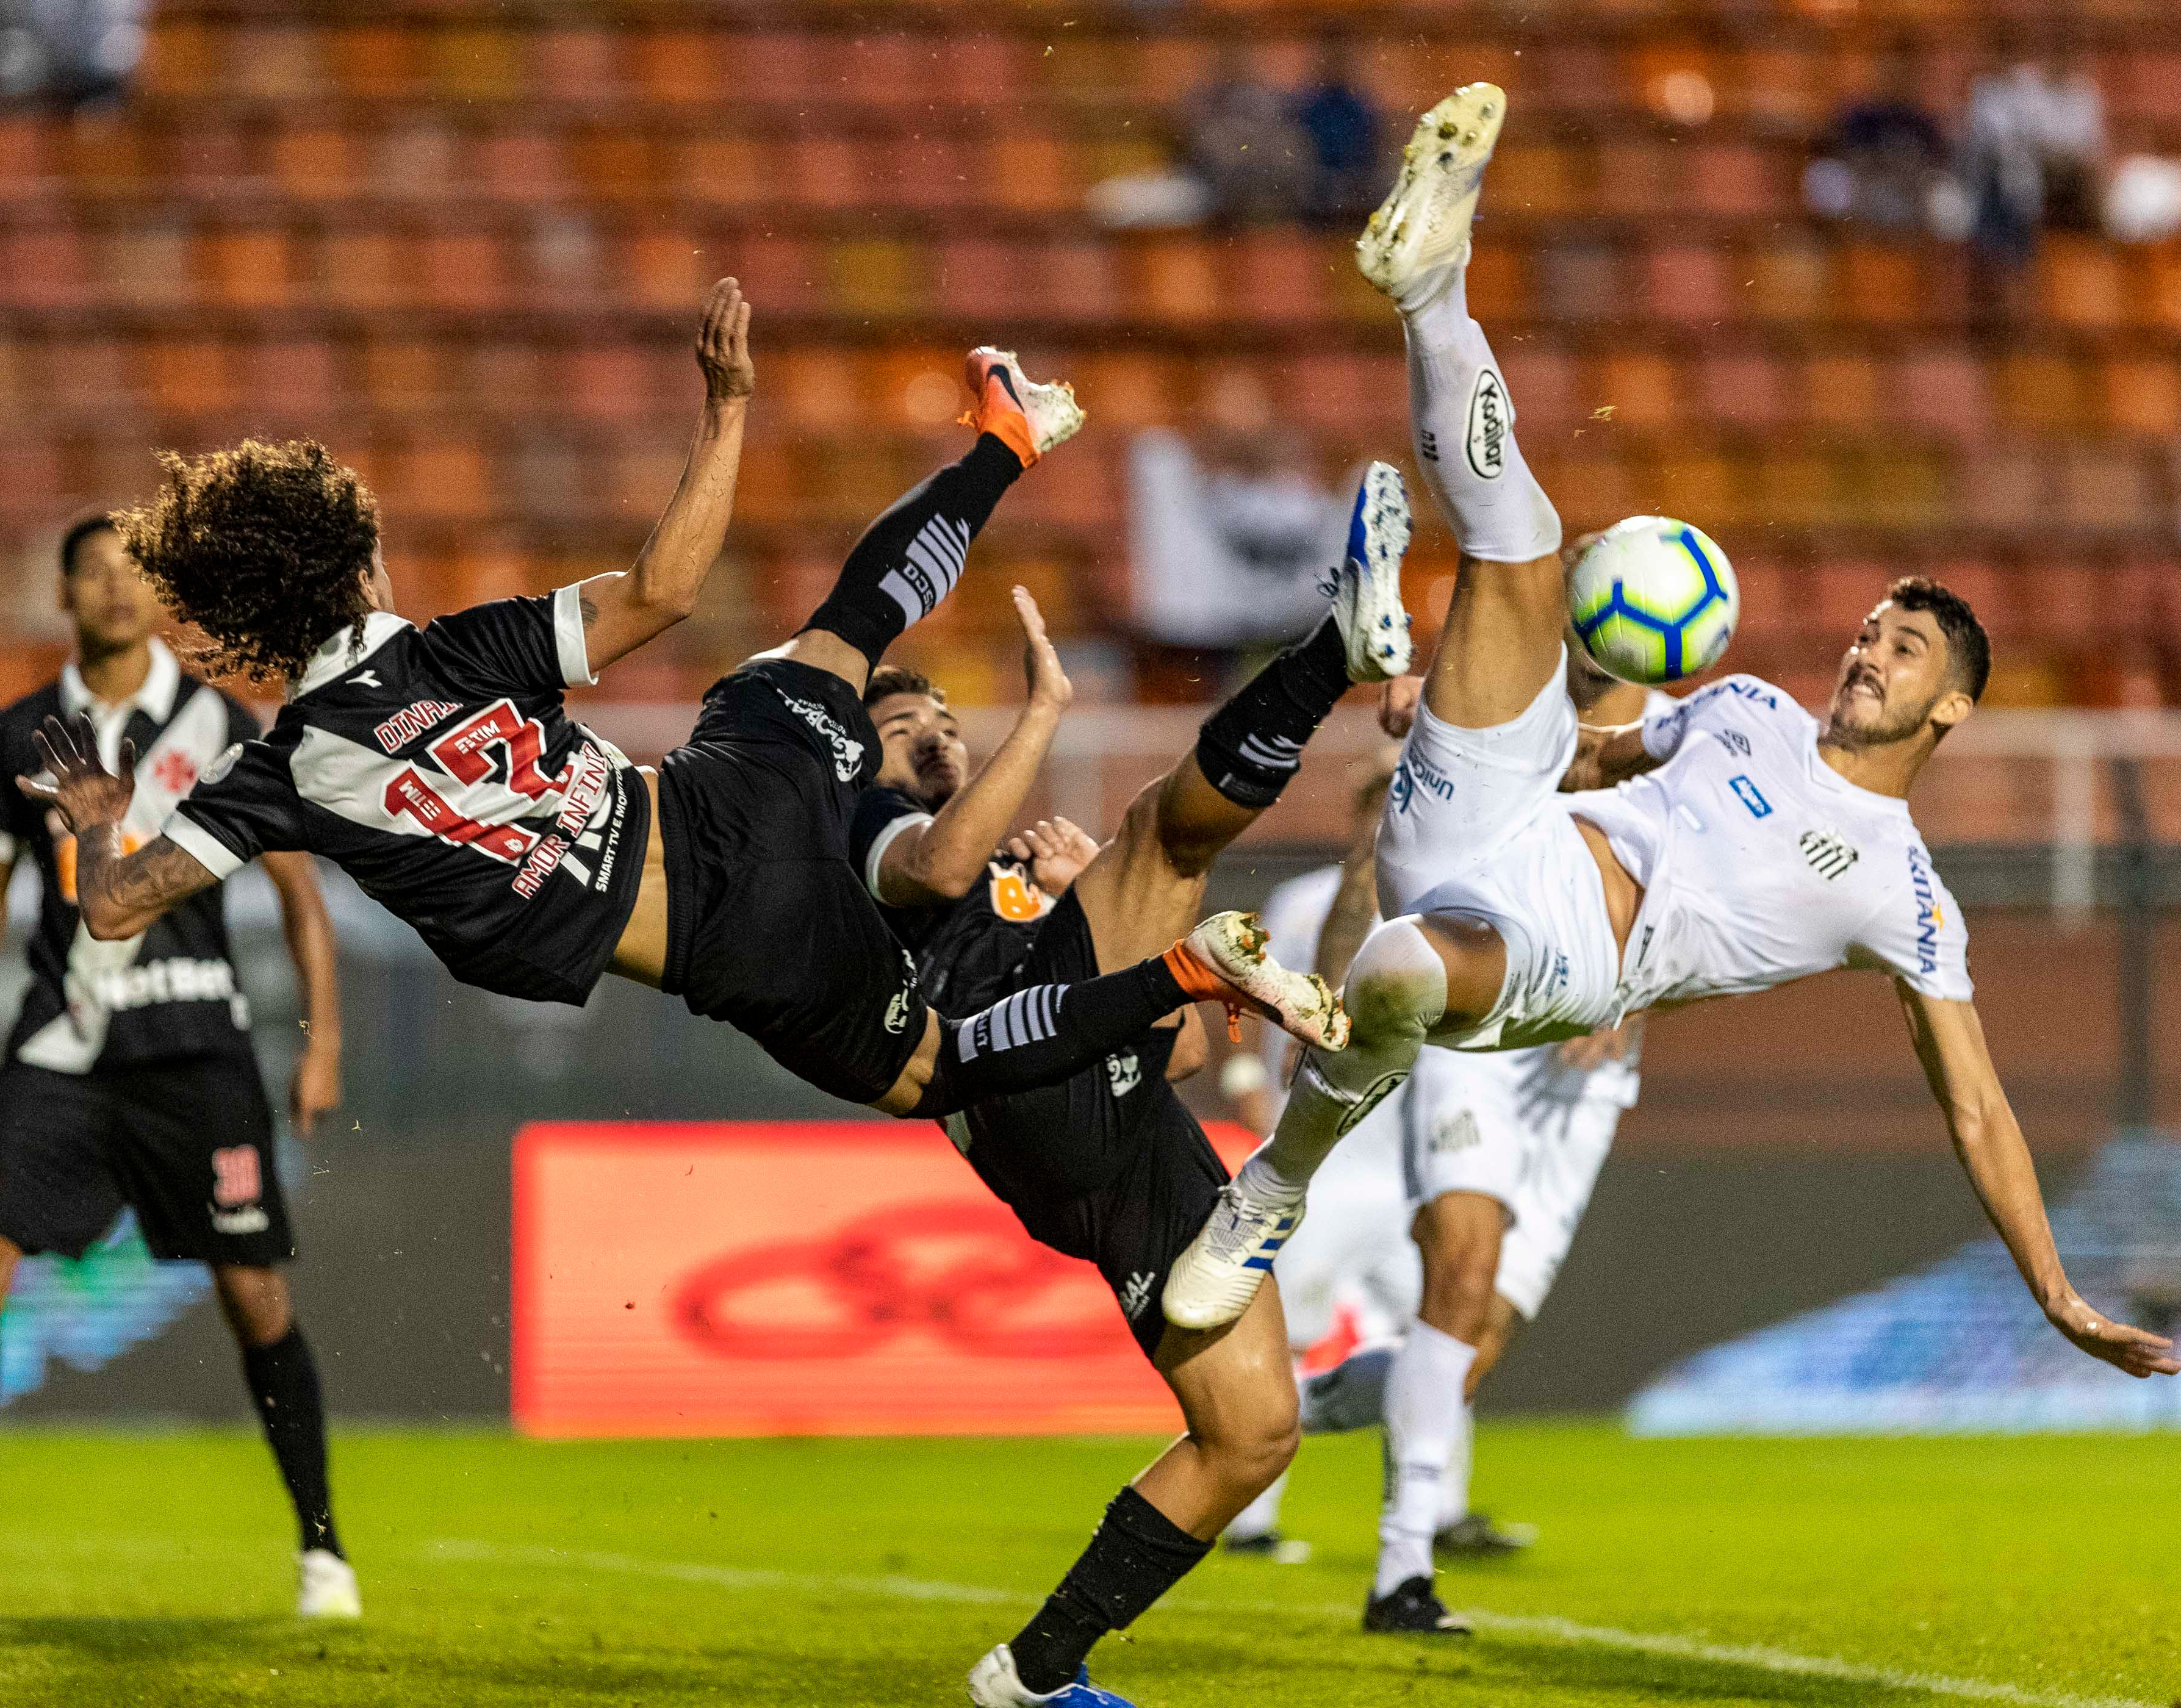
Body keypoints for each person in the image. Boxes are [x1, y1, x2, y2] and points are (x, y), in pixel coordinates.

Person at [1163, 80, 2177, 1421]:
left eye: (1904, 651)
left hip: (1559, 952)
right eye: (1870, 632)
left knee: (1401, 966)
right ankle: (1430, 288)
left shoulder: (1907, 891)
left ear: (1950, 712)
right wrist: (1463, 709)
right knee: (1524, 545)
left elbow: (1979, 1108)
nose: (1867, 653)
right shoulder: (1745, 702)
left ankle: (1269, 1191)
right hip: (1501, 813)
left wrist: (2056, 1293)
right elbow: (1594, 754)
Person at [17, 282, 1343, 1138]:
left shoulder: (278, 771)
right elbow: (664, 590)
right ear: (355, 572)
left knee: (940, 1071)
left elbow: (115, 906)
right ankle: (1003, 439)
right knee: (843, 634)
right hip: (729, 784)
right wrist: (727, 407)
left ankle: (1184, 974)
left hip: (730, 935)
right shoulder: (450, 650)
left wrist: (93, 814)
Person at [848, 466, 1415, 1707]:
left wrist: (1087, 913)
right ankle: (1334, 647)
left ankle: (1033, 1670)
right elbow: (934, 874)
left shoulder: (1016, 862)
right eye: (902, 729)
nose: (935, 733)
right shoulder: (868, 848)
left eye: (944, 715)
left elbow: (1188, 1055)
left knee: (1252, 1435)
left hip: (1116, 1147)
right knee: (1163, 832)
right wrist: (1068, 800)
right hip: (1014, 1077)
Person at [0, 515, 350, 1613]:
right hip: (60, 1049)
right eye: (94, 572)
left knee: (255, 1295)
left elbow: (298, 895)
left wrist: (325, 1041)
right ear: (63, 594)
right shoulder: (19, 735)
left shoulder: (218, 724)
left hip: (194, 1047)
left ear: (161, 596)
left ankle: (323, 1548)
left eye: (135, 572)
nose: (116, 589)